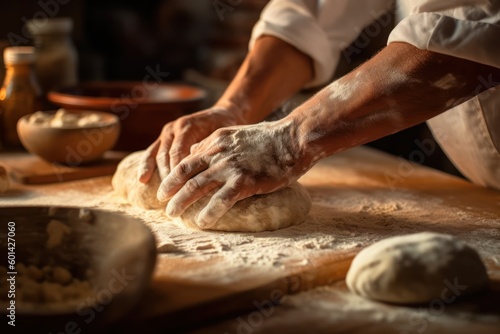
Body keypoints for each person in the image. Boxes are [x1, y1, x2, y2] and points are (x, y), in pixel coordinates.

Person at [138, 0, 500, 229]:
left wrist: (288, 140)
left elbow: (472, 36)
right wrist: (233, 107)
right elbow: (312, 12)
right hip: (477, 184)